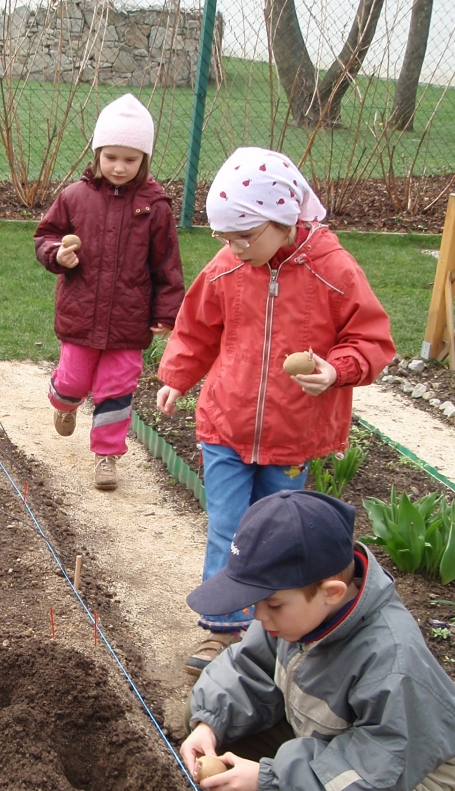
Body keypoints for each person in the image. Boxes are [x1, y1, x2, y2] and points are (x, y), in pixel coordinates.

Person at [155, 147, 394, 676]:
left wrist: (337, 369)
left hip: (292, 436)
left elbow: (372, 339)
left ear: (284, 218)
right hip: (226, 424)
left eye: (246, 236)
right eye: (226, 238)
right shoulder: (227, 268)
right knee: (228, 526)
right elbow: (196, 328)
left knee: (280, 539)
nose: (236, 249)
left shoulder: (334, 270)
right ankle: (225, 632)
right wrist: (176, 376)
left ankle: (271, 636)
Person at [180, 490, 455, 791]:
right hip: (323, 731)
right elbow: (248, 668)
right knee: (214, 726)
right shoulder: (296, 613)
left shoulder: (391, 659)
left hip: (405, 769)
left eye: (271, 605)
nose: (256, 615)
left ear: (331, 593)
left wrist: (269, 778)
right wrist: (208, 724)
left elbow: (381, 759)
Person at [35, 93, 184, 492]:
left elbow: (166, 264)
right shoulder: (74, 197)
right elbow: (45, 236)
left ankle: (107, 457)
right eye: (112, 157)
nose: (120, 167)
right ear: (98, 152)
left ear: (144, 160)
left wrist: (167, 312)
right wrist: (56, 255)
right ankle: (63, 404)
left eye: (130, 159)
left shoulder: (156, 207)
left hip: (128, 320)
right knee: (73, 381)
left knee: (116, 390)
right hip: (81, 313)